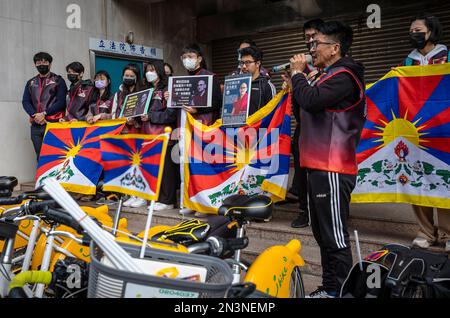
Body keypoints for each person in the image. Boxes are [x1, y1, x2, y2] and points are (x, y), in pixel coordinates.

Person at [290, 21, 366, 298]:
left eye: (316, 44)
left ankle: (340, 292)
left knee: (334, 236)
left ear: (335, 48)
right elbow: (304, 111)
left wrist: (298, 76)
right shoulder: (323, 75)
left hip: (332, 165)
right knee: (322, 236)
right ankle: (330, 288)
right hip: (314, 164)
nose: (311, 48)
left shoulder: (345, 75)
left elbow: (311, 100)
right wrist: (297, 82)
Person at [399, 14, 450, 252]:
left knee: (443, 180)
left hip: (444, 129)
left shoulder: (447, 56)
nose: (413, 34)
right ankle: (426, 232)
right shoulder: (407, 62)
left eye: (417, 29)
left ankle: (448, 233)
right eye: (411, 30)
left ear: (430, 32)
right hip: (416, 130)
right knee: (418, 178)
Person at [290, 18, 324, 229]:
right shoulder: (301, 63)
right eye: (307, 37)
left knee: (323, 173)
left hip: (325, 128)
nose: (310, 41)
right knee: (301, 170)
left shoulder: (332, 63)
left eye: (314, 36)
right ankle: (304, 210)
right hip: (304, 125)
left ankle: (330, 209)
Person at [140, 60, 178, 211]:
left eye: (152, 69)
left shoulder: (168, 88)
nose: (149, 72)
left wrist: (151, 117)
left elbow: (170, 115)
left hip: (165, 135)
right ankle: (159, 198)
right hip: (149, 135)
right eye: (148, 70)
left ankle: (168, 200)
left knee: (167, 169)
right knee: (157, 169)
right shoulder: (147, 90)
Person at [22, 52, 67, 159]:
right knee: (40, 156)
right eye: (38, 62)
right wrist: (35, 115)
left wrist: (44, 114)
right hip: (36, 125)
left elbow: (61, 102)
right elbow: (25, 101)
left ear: (50, 64)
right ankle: (42, 176)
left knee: (56, 156)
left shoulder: (58, 80)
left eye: (45, 62)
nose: (42, 64)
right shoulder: (31, 82)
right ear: (35, 65)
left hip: (53, 124)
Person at [178, 43, 223, 126]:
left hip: (205, 124)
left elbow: (218, 103)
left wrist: (197, 110)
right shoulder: (183, 80)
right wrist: (170, 97)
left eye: (190, 56)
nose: (187, 59)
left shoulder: (210, 77)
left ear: (199, 59)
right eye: (184, 57)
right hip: (187, 123)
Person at [239, 46, 276, 116]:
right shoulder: (236, 84)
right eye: (242, 63)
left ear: (258, 64)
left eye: (247, 62)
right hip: (238, 126)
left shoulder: (267, 86)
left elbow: (273, 115)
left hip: (259, 126)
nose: (243, 66)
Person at [111, 63, 145, 133]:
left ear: (137, 78)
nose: (128, 78)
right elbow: (113, 114)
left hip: (138, 132)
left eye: (131, 76)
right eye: (126, 76)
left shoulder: (143, 93)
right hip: (121, 131)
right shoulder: (118, 94)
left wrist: (135, 121)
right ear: (123, 76)